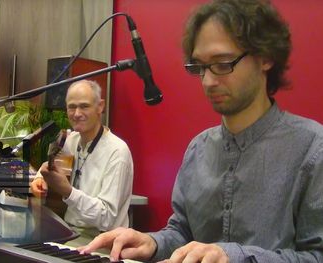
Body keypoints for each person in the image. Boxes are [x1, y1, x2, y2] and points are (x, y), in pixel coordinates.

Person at [78, 0, 323, 262]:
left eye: (222, 63)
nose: (207, 81)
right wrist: (153, 242)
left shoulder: (311, 147)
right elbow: (181, 233)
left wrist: (231, 256)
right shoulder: (199, 148)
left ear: (265, 58)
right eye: (200, 67)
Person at [30, 80, 134, 246]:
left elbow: (107, 218)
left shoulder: (117, 152)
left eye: (84, 106)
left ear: (100, 106)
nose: (77, 113)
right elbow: (50, 167)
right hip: (69, 233)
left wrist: (68, 192)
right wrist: (39, 179)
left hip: (102, 242)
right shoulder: (71, 140)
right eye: (72, 107)